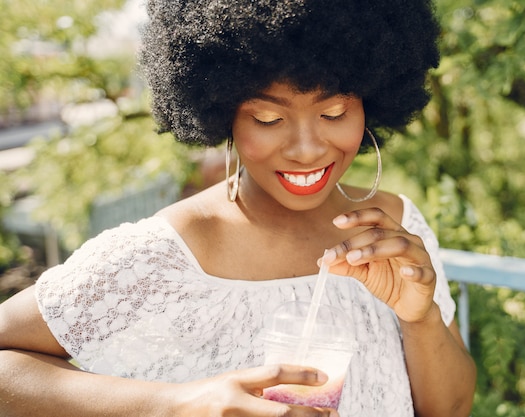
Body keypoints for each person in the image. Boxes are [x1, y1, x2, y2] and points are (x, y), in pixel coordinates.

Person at [0, 1, 476, 416]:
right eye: (269, 118)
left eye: (334, 113)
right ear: (222, 110)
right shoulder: (169, 250)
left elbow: (451, 409)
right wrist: (176, 405)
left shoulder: (395, 226)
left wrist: (421, 318)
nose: (307, 150)